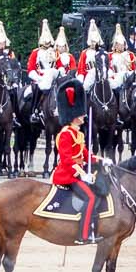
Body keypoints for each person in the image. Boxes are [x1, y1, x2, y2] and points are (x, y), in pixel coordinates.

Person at [52, 82, 99, 244]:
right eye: (81, 114)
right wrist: (83, 174)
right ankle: (83, 235)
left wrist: (102, 160)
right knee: (90, 197)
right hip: (67, 175)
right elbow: (66, 160)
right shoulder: (66, 135)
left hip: (75, 173)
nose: (84, 116)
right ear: (74, 116)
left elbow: (85, 155)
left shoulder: (76, 134)